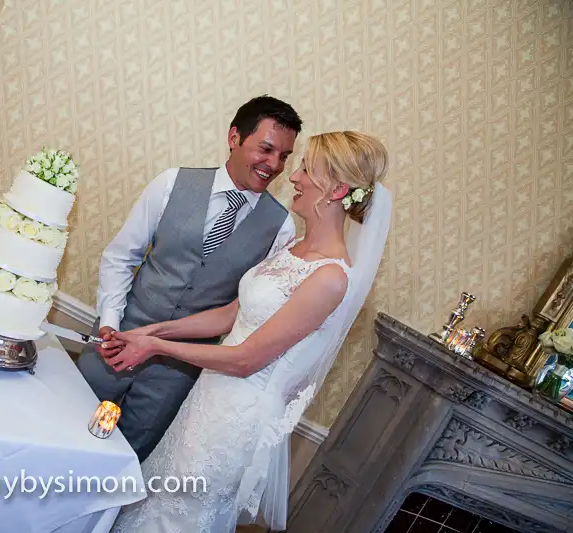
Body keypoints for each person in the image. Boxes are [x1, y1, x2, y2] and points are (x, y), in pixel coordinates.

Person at [105, 131, 393, 533]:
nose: (294, 176)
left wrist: (155, 347)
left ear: (337, 189)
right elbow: (228, 316)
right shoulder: (293, 248)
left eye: (307, 168)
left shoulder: (330, 277)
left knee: (178, 518)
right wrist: (154, 330)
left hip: (236, 418)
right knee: (155, 503)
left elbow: (245, 359)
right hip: (208, 397)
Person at [75, 95, 302, 462]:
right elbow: (121, 257)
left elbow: (244, 310)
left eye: (284, 156)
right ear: (234, 137)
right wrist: (110, 324)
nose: (273, 165)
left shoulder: (281, 228)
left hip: (176, 374)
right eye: (266, 149)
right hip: (114, 343)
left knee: (124, 465)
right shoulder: (171, 183)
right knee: (62, 427)